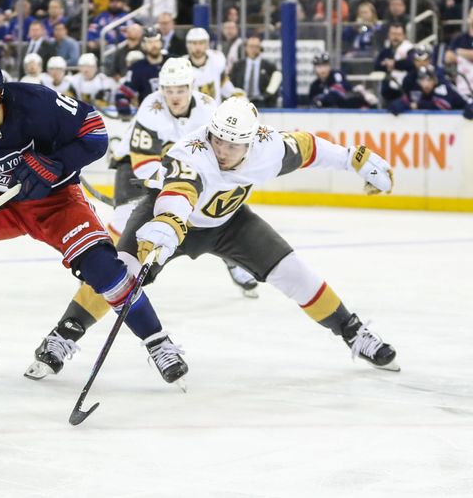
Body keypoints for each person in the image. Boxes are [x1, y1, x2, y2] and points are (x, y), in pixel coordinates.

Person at [30, 96, 400, 379]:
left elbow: (310, 148)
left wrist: (356, 158)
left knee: (294, 272)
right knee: (117, 273)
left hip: (229, 223)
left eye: (232, 145)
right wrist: (166, 227)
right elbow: (179, 190)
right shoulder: (192, 152)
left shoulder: (270, 149)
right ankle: (64, 336)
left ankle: (354, 332)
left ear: (253, 143)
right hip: (170, 217)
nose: (221, 150)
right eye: (217, 139)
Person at [0, 56, 185, 384]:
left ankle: (157, 342)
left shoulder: (35, 102)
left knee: (103, 268)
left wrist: (57, 163)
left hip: (58, 200)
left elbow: (94, 133)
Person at [25, 60, 256, 380]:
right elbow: (146, 167)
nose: (174, 96)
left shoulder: (210, 110)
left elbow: (223, 163)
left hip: (195, 197)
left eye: (181, 90)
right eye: (169, 90)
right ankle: (63, 336)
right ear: (160, 90)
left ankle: (233, 262)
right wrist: (178, 190)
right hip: (146, 184)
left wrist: (189, 190)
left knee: (224, 229)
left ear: (193, 88)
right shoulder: (151, 108)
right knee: (121, 266)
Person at [229, 36, 282, 108]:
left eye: (256, 47)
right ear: (246, 48)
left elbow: (273, 87)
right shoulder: (238, 65)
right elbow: (232, 84)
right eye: (251, 46)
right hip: (241, 102)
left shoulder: (269, 66)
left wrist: (265, 97)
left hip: (263, 103)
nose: (253, 49)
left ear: (260, 49)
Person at [186, 27, 235, 104]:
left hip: (215, 112)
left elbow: (224, 84)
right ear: (188, 45)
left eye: (201, 43)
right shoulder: (182, 66)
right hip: (193, 113)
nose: (198, 47)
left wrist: (236, 95)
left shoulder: (216, 59)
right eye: (194, 43)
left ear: (207, 44)